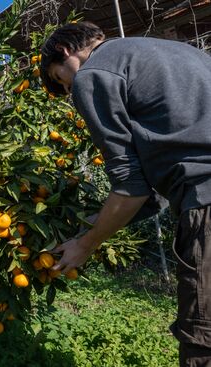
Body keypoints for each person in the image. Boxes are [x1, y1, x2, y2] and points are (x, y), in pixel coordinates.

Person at [40, 22, 211, 366]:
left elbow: (130, 185)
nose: (70, 88)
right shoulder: (181, 54)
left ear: (64, 51)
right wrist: (93, 221)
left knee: (204, 339)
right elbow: (156, 183)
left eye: (61, 79)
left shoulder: (94, 74)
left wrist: (85, 243)